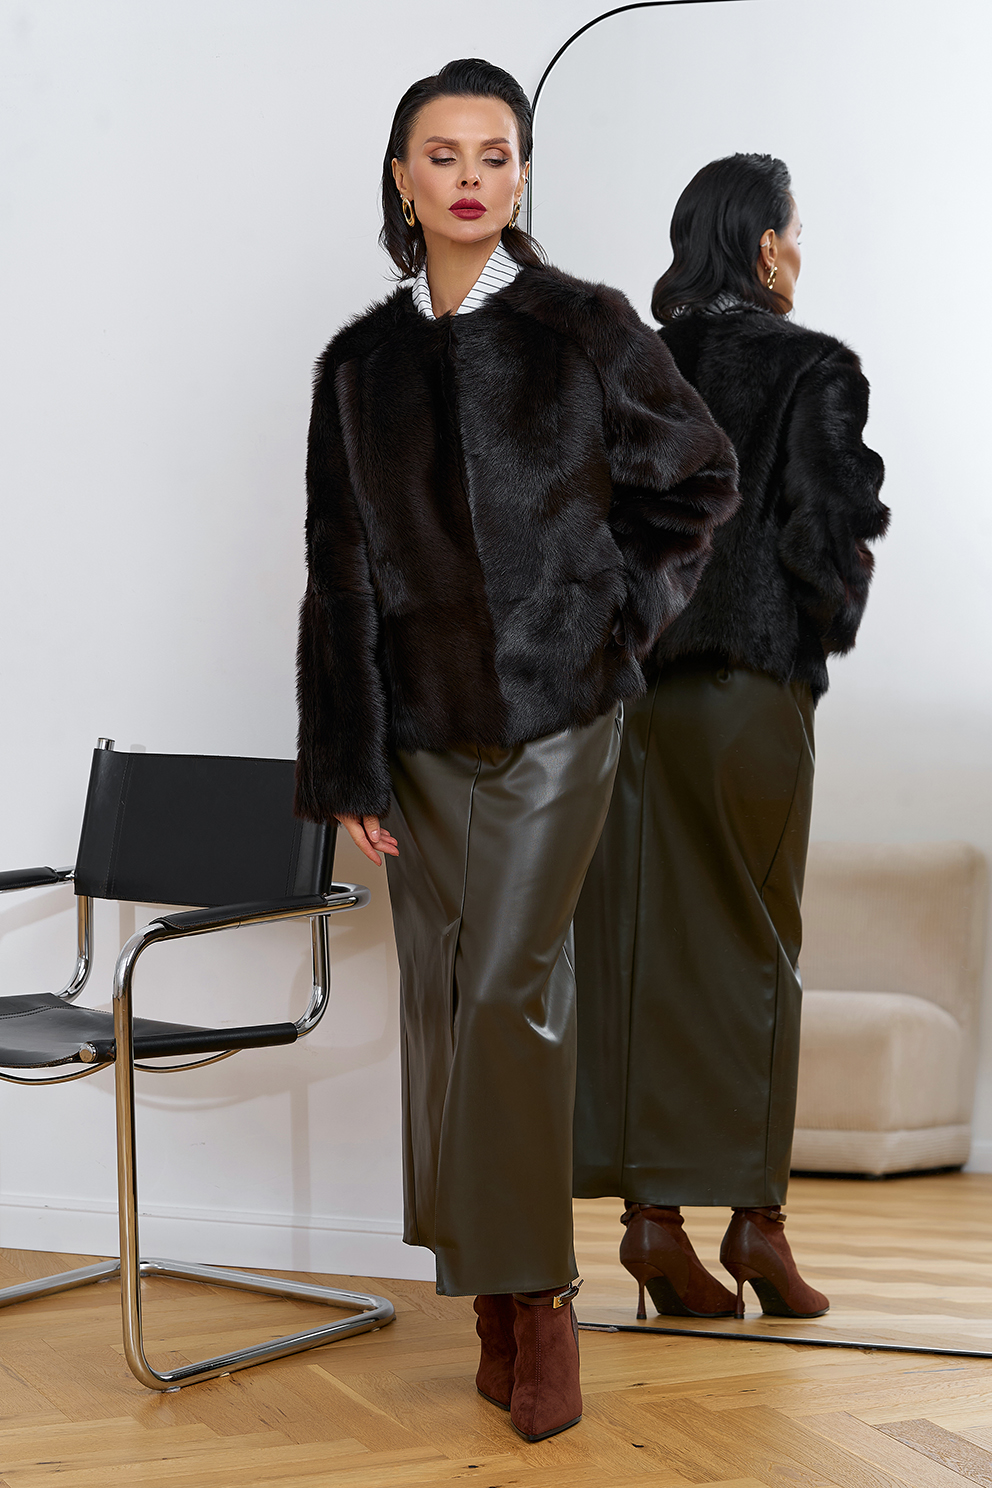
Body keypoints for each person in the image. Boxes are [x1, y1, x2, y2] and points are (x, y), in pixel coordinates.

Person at [293, 60, 738, 1442]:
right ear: (402, 177)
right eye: (444, 154)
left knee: (508, 992)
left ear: (522, 173)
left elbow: (699, 476)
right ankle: (488, 1300)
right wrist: (350, 762)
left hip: (559, 719)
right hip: (418, 735)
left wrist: (608, 620)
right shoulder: (359, 365)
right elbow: (338, 572)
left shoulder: (584, 324)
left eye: (496, 153)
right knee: (443, 1005)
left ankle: (540, 1302)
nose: (472, 177)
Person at [573, 153, 889, 1324]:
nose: (799, 251)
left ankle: (652, 1223)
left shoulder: (631, 368)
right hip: (745, 690)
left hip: (624, 698)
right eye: (793, 232)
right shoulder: (811, 366)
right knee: (758, 945)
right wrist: (817, 626)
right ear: (763, 245)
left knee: (642, 943)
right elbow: (828, 530)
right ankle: (756, 1226)